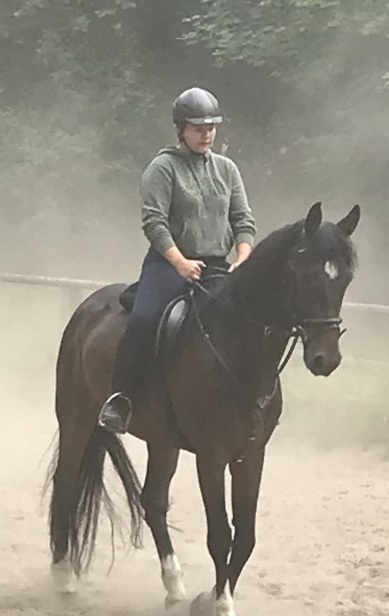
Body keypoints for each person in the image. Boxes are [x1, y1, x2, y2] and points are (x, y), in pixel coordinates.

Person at [97, 86, 256, 434]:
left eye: (211, 127)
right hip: (169, 264)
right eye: (199, 128)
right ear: (180, 129)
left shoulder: (227, 170)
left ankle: (251, 398)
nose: (207, 134)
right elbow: (153, 221)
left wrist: (243, 255)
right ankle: (120, 398)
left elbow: (243, 220)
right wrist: (180, 262)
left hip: (217, 266)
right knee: (145, 318)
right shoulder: (163, 168)